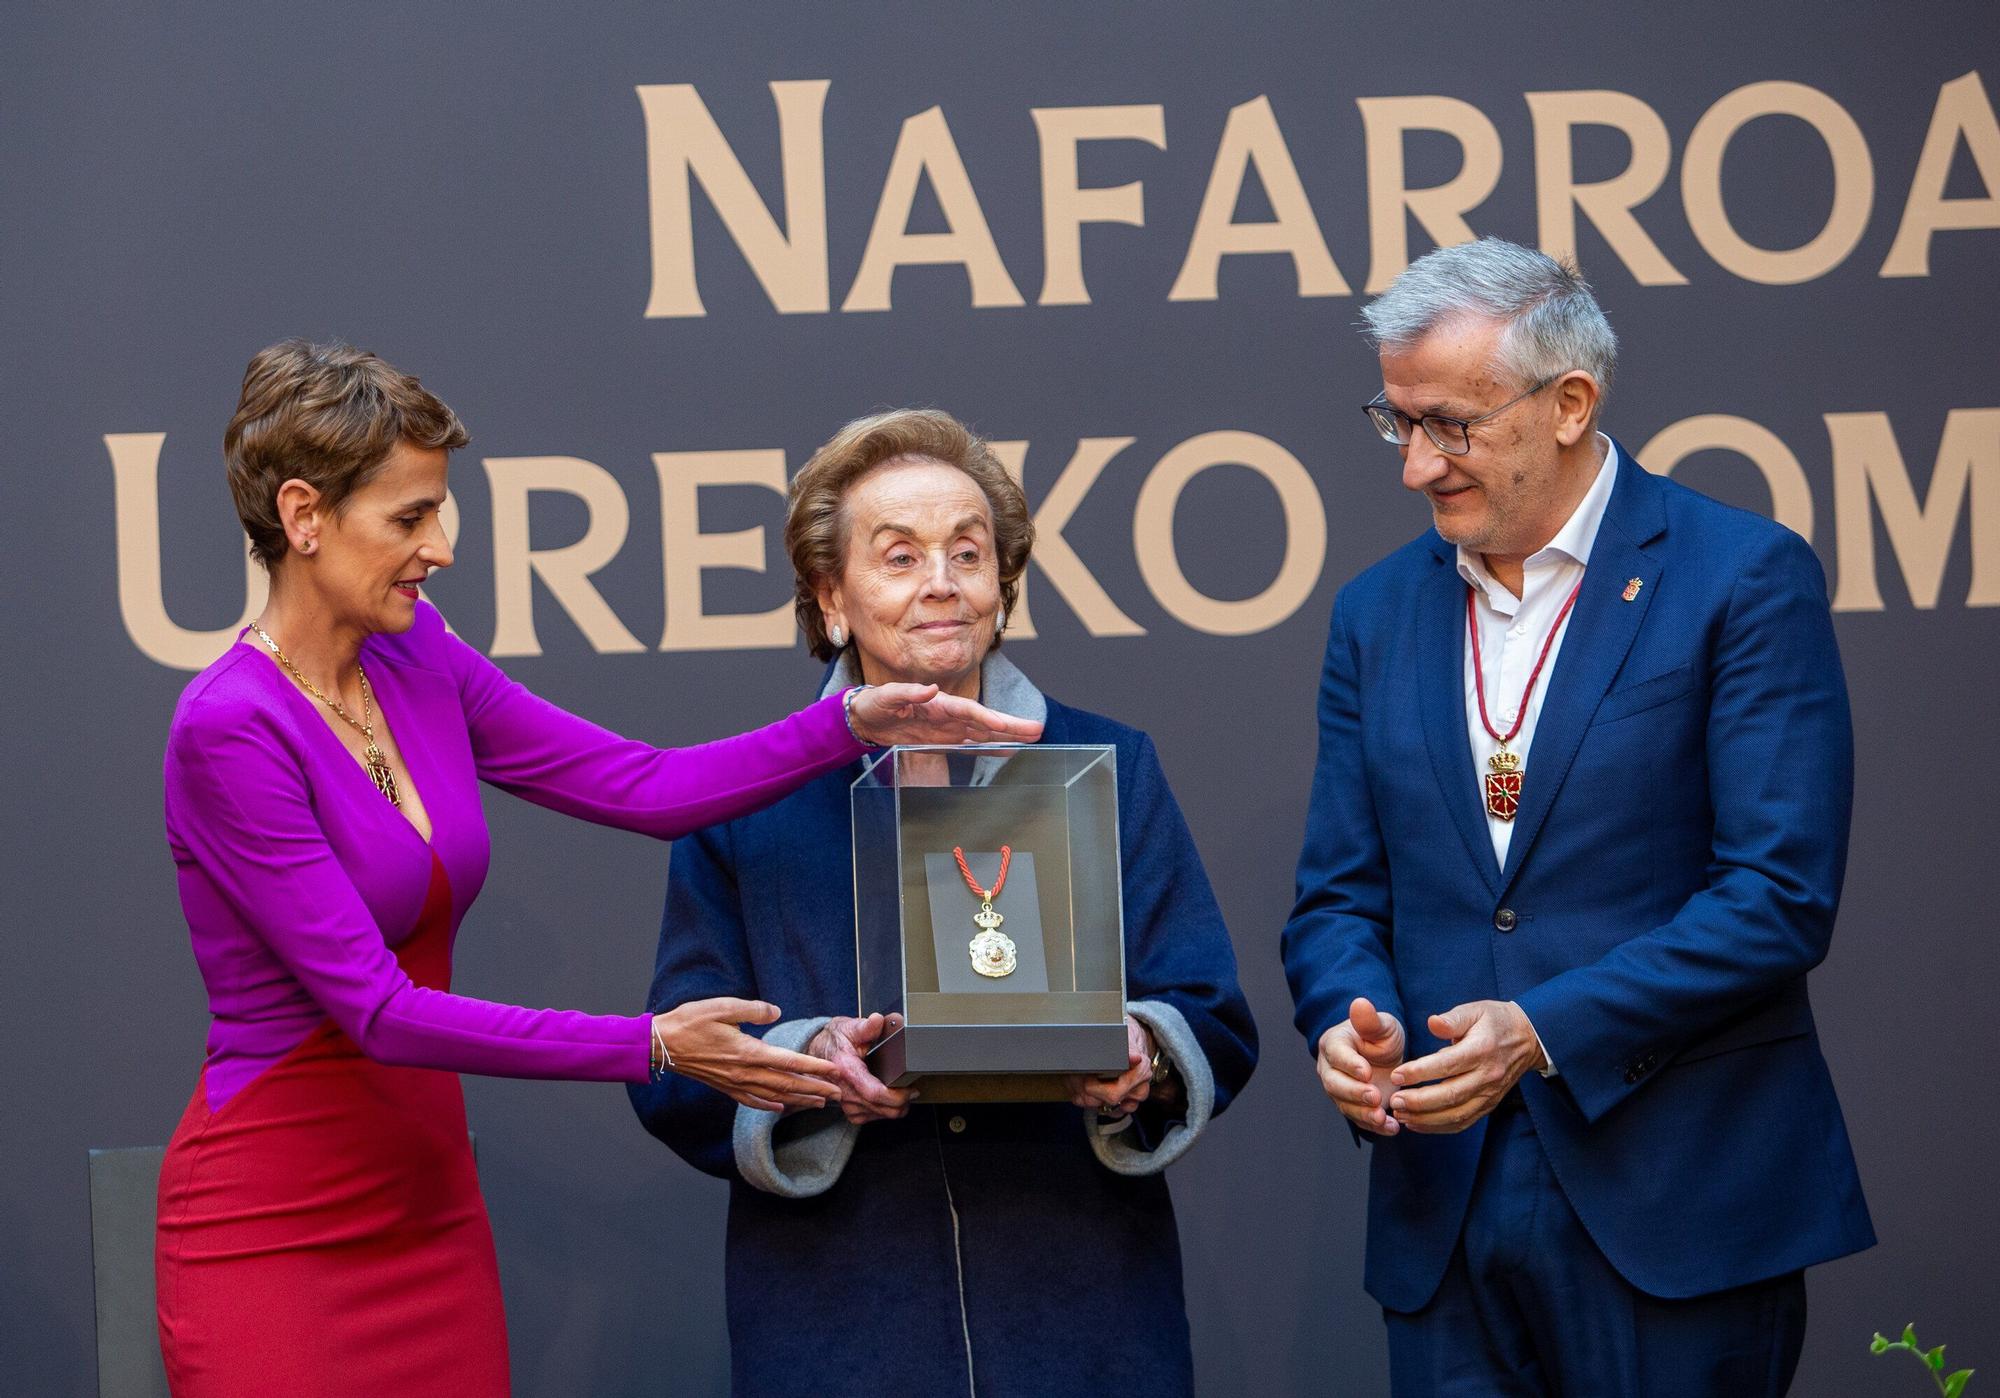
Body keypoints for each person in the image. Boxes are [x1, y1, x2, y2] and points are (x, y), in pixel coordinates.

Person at [154, 342, 1042, 1398]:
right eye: (407, 519)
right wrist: (656, 1044)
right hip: (272, 1224)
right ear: (303, 517)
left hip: (428, 1204)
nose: (438, 546)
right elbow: (380, 1014)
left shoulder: (413, 652)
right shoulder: (230, 728)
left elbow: (645, 785)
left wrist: (850, 722)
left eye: (439, 511)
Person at [1281, 239, 1873, 1396]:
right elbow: (1337, 893)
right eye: (1396, 422)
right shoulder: (1374, 612)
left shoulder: (1737, 576)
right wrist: (1340, 1025)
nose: (1414, 466)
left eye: (1450, 425)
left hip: (1669, 1199)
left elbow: (1775, 898)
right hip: (1440, 1203)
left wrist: (1540, 1028)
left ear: (1567, 404)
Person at [627, 408, 1258, 1397]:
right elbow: (670, 1068)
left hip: (1079, 1312)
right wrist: (804, 1064)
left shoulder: (1107, 765)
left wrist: (1138, 1054)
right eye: (899, 556)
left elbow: (1211, 1014)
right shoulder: (740, 798)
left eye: (967, 553)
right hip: (840, 1323)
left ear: (1001, 586)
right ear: (829, 598)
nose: (940, 584)